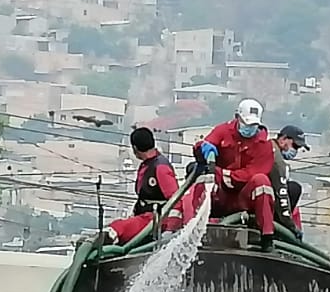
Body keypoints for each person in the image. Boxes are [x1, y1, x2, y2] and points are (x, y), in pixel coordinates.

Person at [194, 97, 278, 251]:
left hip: (243, 198)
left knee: (262, 182)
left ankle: (266, 237)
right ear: (237, 118)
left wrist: (223, 173)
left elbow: (252, 173)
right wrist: (204, 150)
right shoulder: (223, 131)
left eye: (253, 125)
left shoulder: (264, 146)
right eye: (246, 124)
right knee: (203, 179)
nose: (249, 129)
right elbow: (207, 143)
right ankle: (193, 228)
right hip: (219, 195)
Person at [104, 127, 182, 245]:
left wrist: (170, 229)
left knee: (117, 229)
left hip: (156, 221)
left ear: (135, 148)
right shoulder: (148, 165)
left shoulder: (160, 167)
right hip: (145, 218)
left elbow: (176, 199)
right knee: (115, 228)